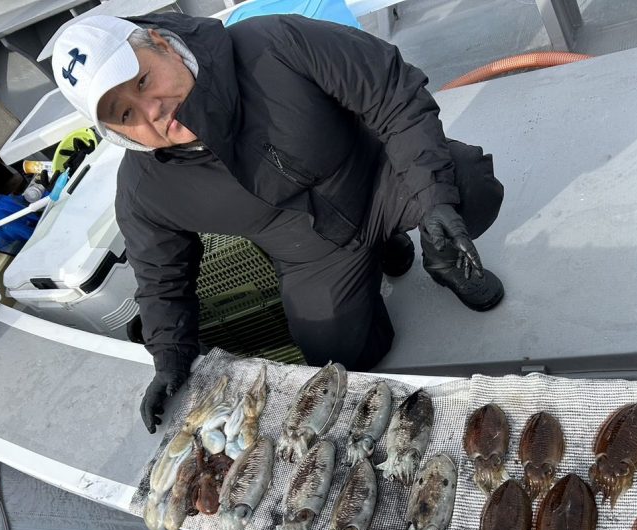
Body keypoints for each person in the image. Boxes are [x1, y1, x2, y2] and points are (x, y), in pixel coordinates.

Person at [51, 12, 505, 434]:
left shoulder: (271, 42)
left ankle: (436, 260)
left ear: (161, 44)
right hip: (309, 251)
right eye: (126, 114)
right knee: (341, 357)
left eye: (143, 80)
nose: (151, 111)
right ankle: (382, 257)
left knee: (469, 187)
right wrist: (169, 359)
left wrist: (432, 199)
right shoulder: (143, 188)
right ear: (117, 132)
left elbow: (391, 90)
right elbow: (160, 278)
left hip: (379, 174)